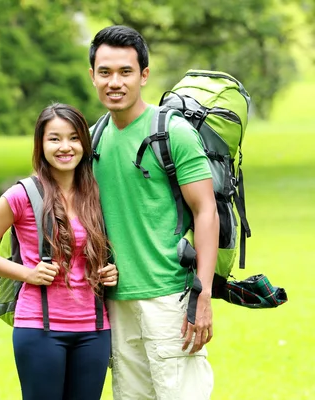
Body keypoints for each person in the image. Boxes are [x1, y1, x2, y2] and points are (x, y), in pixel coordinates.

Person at [88, 25, 219, 399]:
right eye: (105, 72)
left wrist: (203, 293)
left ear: (144, 75)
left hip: (170, 300)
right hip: (117, 302)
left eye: (126, 72)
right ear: (93, 76)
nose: (115, 82)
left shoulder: (171, 132)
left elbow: (205, 209)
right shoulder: (94, 138)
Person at [0, 103, 118, 400]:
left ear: (84, 144)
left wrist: (110, 269)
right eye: (55, 138)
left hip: (95, 330)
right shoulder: (22, 195)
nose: (65, 147)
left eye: (74, 138)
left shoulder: (98, 193)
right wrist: (28, 273)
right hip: (39, 329)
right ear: (41, 144)